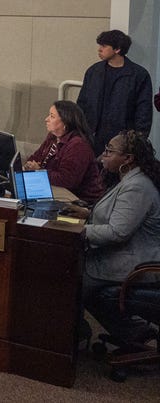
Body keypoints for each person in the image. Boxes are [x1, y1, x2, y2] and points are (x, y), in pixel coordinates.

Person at [62, 131, 160, 351]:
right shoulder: (129, 179)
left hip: (136, 264)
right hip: (123, 255)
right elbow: (118, 217)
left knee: (70, 275)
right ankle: (131, 333)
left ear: (128, 159)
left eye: (109, 151)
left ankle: (68, 338)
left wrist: (79, 230)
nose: (102, 155)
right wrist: (86, 213)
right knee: (72, 267)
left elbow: (118, 232)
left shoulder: (137, 186)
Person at [76, 29, 152, 155]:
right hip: (92, 137)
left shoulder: (139, 75)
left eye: (104, 46)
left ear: (117, 49)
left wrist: (138, 140)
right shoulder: (94, 71)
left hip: (121, 140)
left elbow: (144, 111)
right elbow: (82, 103)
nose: (99, 49)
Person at [23, 100, 103, 203]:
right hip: (54, 192)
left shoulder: (78, 145)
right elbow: (35, 158)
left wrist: (39, 171)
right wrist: (29, 165)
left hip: (79, 201)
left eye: (52, 116)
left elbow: (67, 180)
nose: (46, 119)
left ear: (65, 121)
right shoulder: (52, 137)